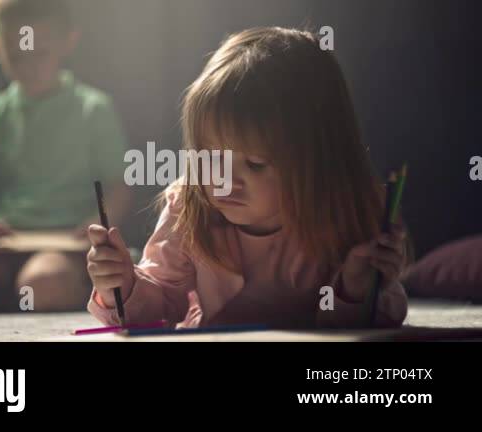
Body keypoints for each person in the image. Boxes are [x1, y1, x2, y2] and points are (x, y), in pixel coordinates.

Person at [86, 27, 408, 329]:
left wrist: (357, 287)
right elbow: (163, 303)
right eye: (211, 158)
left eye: (254, 164)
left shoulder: (346, 211)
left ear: (318, 161)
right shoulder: (188, 204)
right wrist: (123, 285)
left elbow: (377, 323)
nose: (225, 180)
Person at [0, 0, 130, 313]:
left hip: (63, 244)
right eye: (17, 54)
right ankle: (4, 292)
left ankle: (29, 293)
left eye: (39, 53)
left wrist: (95, 224)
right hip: (1, 243)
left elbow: (118, 186)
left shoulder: (92, 109)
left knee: (41, 283)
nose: (28, 65)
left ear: (68, 41)